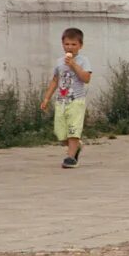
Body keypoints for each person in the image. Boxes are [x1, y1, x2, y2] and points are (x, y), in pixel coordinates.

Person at [40, 28, 93, 169]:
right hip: (61, 102)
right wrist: (46, 98)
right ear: (63, 44)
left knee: (73, 130)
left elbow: (86, 78)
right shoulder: (59, 62)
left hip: (76, 101)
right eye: (67, 44)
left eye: (74, 44)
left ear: (80, 45)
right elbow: (55, 80)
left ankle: (70, 158)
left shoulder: (83, 61)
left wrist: (74, 65)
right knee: (60, 133)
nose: (70, 47)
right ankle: (76, 147)